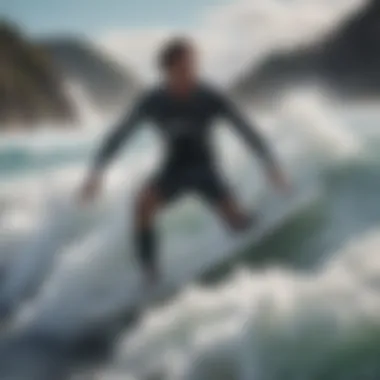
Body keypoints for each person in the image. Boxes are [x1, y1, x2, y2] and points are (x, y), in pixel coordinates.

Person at [80, 37, 290, 285]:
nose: (192, 71)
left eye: (194, 65)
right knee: (142, 205)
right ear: (168, 70)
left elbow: (245, 129)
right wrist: (97, 172)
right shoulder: (153, 101)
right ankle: (150, 273)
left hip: (205, 170)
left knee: (237, 223)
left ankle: (261, 222)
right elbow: (119, 135)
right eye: (186, 66)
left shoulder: (210, 96)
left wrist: (270, 164)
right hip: (173, 170)